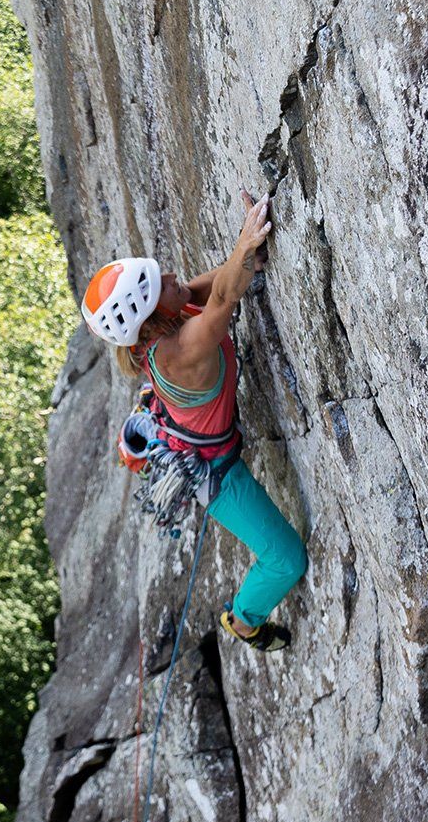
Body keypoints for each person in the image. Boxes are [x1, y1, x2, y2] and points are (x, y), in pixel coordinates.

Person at [81, 193, 308, 653]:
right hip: (214, 471)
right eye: (158, 283)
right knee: (286, 558)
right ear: (149, 316)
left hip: (192, 437)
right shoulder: (181, 351)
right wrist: (245, 248)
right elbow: (225, 294)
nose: (171, 276)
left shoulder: (167, 316)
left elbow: (223, 281)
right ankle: (245, 620)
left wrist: (247, 252)